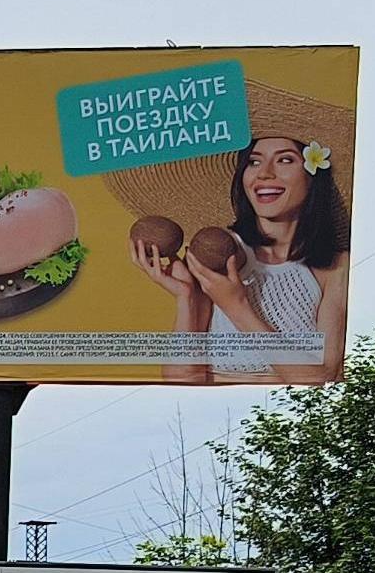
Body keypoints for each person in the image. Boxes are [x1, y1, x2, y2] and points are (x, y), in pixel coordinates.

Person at [132, 134, 351, 385]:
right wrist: (187, 297)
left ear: (312, 177)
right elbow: (181, 381)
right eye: (254, 162)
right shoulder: (216, 252)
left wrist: (235, 305)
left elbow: (323, 378)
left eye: (284, 160)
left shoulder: (336, 267)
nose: (264, 173)